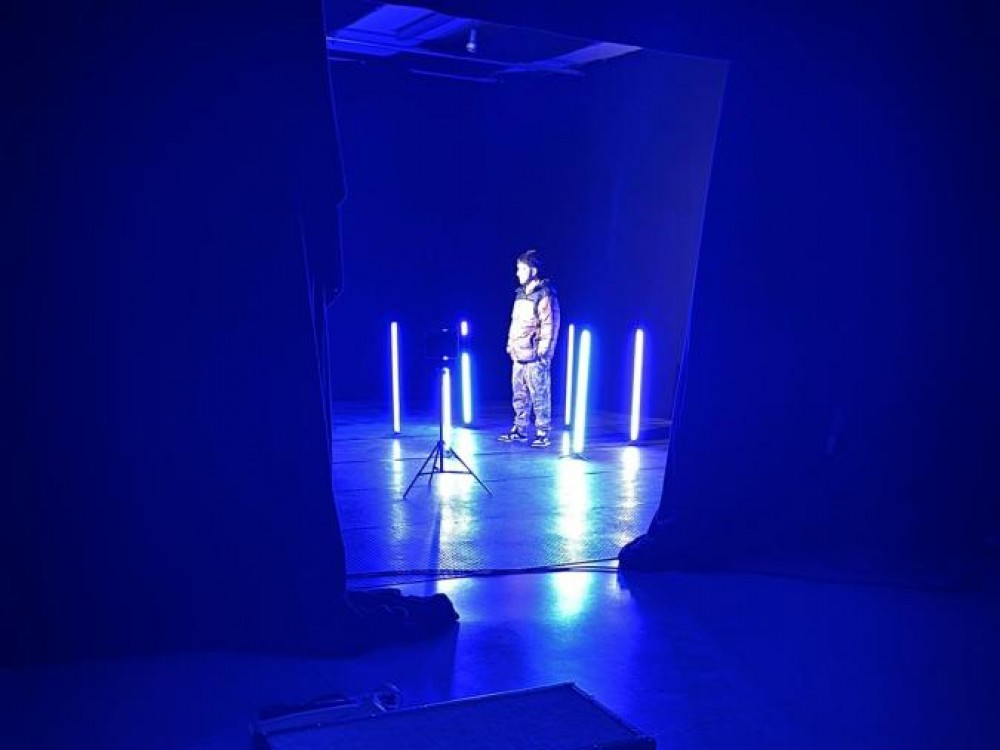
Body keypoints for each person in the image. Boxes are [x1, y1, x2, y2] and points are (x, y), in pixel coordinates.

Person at [499, 249, 561, 447]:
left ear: (533, 270)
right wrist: (511, 343)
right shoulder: (520, 294)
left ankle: (542, 431)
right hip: (519, 353)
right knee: (519, 394)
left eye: (522, 269)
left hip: (535, 355)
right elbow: (515, 322)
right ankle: (520, 428)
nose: (518, 273)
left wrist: (544, 350)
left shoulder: (544, 294)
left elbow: (549, 324)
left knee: (539, 394)